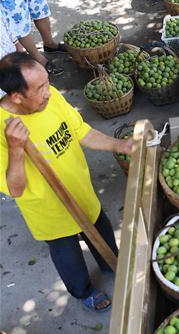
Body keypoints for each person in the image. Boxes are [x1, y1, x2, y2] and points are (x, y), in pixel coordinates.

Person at [0, 54, 134, 312]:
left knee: (102, 232)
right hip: (49, 212)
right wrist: (16, 149)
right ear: (16, 97)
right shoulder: (3, 132)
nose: (48, 92)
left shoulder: (51, 98)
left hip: (80, 190)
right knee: (67, 256)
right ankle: (83, 291)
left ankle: (111, 264)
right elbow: (15, 189)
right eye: (39, 88)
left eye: (47, 82)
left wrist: (119, 145)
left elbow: (80, 130)